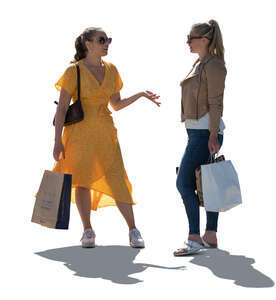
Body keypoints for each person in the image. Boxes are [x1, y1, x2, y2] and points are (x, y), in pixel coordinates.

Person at [52, 27, 160, 248]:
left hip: (105, 134)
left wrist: (140, 95)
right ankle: (87, 230)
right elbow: (62, 108)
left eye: (108, 40)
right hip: (79, 136)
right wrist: (56, 141)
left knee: (117, 178)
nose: (107, 43)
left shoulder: (111, 70)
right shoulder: (74, 71)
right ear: (88, 44)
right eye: (102, 40)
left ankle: (133, 229)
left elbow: (116, 105)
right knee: (81, 181)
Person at [174, 20, 227, 256]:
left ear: (204, 39)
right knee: (207, 182)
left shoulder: (213, 65)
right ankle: (210, 234)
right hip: (197, 132)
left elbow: (216, 102)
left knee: (183, 182)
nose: (187, 41)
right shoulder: (200, 63)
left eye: (191, 37)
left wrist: (213, 133)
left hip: (205, 133)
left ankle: (194, 238)